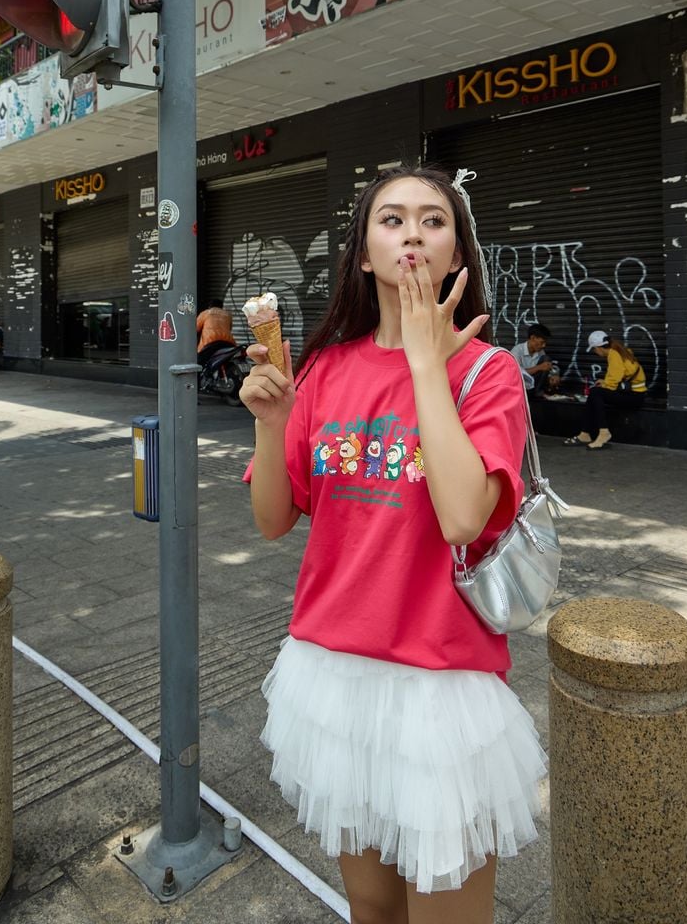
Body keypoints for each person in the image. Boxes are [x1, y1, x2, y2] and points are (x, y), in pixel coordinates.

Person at [239, 165, 547, 924]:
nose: (413, 232)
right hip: (333, 678)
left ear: (456, 254)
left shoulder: (489, 372)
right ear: (364, 255)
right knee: (372, 908)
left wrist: (422, 362)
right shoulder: (324, 369)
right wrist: (272, 423)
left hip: (443, 686)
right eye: (393, 219)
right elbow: (274, 520)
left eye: (434, 220)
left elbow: (463, 518)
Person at [564, 330, 647, 450]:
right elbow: (621, 375)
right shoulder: (621, 350)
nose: (595, 352)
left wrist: (604, 386)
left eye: (594, 349)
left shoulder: (614, 355)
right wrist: (604, 383)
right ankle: (585, 434)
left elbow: (612, 384)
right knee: (595, 393)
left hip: (634, 397)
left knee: (595, 393)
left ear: (599, 347)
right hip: (635, 394)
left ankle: (603, 432)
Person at [510, 323, 559, 398]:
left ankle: (539, 392)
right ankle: (537, 393)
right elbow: (516, 375)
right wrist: (539, 367)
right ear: (532, 338)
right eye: (542, 342)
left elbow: (543, 373)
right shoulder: (517, 351)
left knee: (546, 359)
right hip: (521, 389)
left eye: (545, 343)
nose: (544, 346)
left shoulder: (540, 352)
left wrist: (552, 377)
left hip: (534, 386)